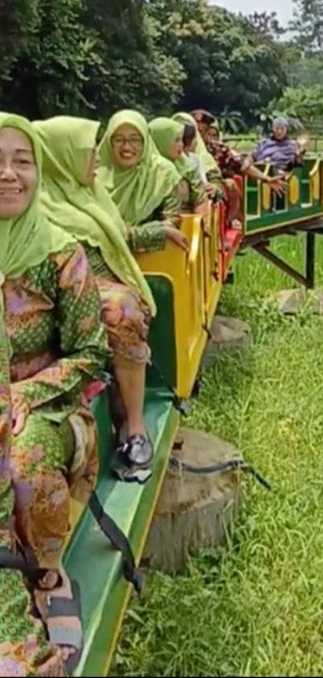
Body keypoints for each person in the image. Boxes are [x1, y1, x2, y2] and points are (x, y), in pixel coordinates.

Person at [0, 113, 107, 675]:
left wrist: (22, 394)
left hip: (44, 405)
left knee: (22, 459)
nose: (9, 175)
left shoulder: (62, 254)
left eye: (22, 161)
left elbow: (91, 352)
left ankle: (45, 572)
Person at [34, 116, 157, 475]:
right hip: (60, 291)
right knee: (120, 310)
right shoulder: (39, 200)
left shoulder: (89, 192)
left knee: (124, 311)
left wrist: (161, 232)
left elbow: (120, 236)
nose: (98, 160)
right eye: (90, 153)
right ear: (62, 158)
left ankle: (134, 423)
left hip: (100, 286)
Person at [98, 109, 187, 251]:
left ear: (145, 141)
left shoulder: (163, 173)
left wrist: (132, 234)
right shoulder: (94, 174)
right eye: (119, 140)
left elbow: (173, 222)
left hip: (152, 259)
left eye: (134, 140)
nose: (127, 147)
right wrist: (155, 231)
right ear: (109, 142)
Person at [192, 112, 285, 224]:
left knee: (230, 184)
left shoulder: (219, 149)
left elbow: (243, 165)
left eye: (201, 132)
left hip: (216, 190)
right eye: (195, 132)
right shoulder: (180, 149)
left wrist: (266, 179)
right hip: (193, 190)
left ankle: (229, 221)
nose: (197, 136)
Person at [148, 117, 208, 215]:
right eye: (176, 140)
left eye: (181, 140)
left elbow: (200, 200)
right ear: (162, 141)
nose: (181, 145)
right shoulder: (143, 171)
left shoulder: (188, 167)